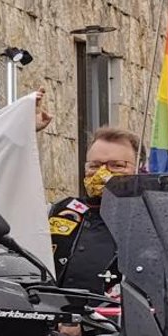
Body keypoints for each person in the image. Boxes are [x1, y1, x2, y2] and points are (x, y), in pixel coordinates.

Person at [48, 126, 143, 293]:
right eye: (95, 166)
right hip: (61, 314)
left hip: (125, 317)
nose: (102, 173)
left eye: (117, 166)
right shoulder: (60, 211)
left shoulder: (152, 219)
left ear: (138, 169)